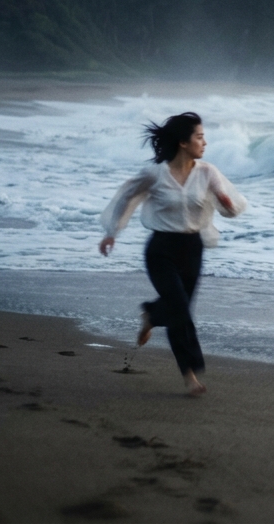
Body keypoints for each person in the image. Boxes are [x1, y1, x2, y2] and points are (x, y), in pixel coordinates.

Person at [98, 112, 246, 395]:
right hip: (161, 250)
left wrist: (227, 204)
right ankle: (190, 375)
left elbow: (228, 207)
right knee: (180, 311)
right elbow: (127, 197)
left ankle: (152, 315)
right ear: (183, 142)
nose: (204, 142)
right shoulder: (154, 174)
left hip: (192, 250)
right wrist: (111, 233)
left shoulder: (207, 172)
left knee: (180, 310)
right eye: (199, 137)